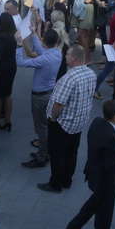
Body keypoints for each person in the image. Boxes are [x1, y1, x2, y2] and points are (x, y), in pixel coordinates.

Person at [66, 99, 115, 229]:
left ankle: (75, 224)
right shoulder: (110, 136)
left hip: (94, 172)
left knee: (95, 201)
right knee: (105, 210)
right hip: (106, 179)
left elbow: (102, 147)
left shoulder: (97, 123)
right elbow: (111, 160)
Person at [38, 46, 97, 193]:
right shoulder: (91, 74)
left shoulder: (68, 78)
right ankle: (66, 180)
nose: (65, 57)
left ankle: (55, 184)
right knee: (72, 152)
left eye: (67, 55)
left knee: (57, 153)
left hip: (63, 123)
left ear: (74, 58)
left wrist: (52, 118)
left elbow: (58, 104)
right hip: (79, 122)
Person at [18, 25, 63, 168]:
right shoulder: (57, 53)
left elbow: (21, 62)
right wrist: (33, 33)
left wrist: (19, 46)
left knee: (41, 127)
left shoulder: (44, 60)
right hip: (49, 93)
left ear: (45, 41)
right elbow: (41, 49)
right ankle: (45, 151)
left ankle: (42, 156)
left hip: (39, 97)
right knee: (45, 125)